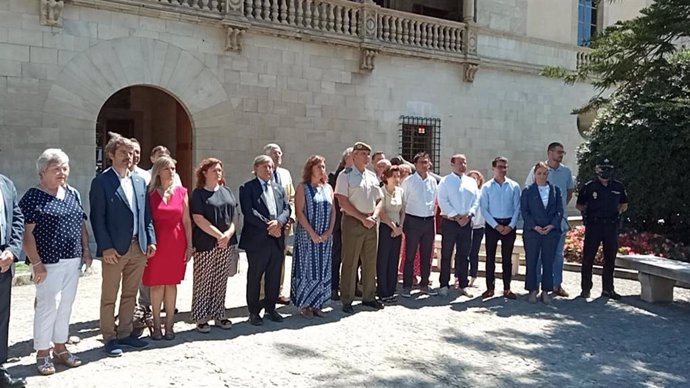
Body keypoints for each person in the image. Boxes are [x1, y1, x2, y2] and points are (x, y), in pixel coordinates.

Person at [19, 149, 92, 375]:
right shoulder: (33, 196)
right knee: (47, 306)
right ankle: (42, 352)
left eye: (65, 168)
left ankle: (60, 347)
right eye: (56, 168)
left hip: (72, 259)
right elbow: (26, 234)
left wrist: (87, 250)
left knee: (66, 304)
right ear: (43, 172)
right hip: (47, 262)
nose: (62, 172)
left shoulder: (72, 193)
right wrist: (36, 263)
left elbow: (81, 223)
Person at [89, 133, 156, 357]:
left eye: (130, 153)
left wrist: (151, 239)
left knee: (130, 294)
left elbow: (145, 214)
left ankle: (125, 334)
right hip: (114, 250)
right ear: (111, 155)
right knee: (110, 295)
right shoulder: (101, 182)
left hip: (139, 247)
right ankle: (109, 337)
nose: (128, 157)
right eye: (122, 153)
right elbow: (97, 217)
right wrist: (105, 247)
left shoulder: (139, 180)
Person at [143, 156, 192, 340]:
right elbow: (146, 220)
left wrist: (190, 245)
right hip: (156, 243)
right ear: (158, 171)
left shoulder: (182, 192)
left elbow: (186, 221)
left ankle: (170, 325)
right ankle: (156, 326)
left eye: (173, 168)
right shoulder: (150, 194)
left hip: (177, 242)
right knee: (156, 285)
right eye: (167, 168)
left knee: (172, 284)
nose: (171, 171)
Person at [239, 155, 291, 325]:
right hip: (258, 239)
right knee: (255, 275)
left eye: (270, 167)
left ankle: (270, 308)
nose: (268, 170)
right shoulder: (247, 188)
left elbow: (286, 208)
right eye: (264, 167)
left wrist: (280, 223)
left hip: (276, 239)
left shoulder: (278, 188)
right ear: (256, 169)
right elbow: (249, 211)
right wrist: (270, 227)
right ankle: (254, 311)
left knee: (274, 275)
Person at [190, 158, 239, 332]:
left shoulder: (226, 191)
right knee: (203, 281)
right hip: (205, 243)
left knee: (220, 280)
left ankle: (219, 314)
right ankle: (201, 317)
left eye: (219, 170)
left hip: (226, 243)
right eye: (214, 170)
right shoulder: (198, 194)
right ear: (204, 173)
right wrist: (220, 236)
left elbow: (234, 215)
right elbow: (198, 218)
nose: (218, 173)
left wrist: (228, 234)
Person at [334, 142, 384, 313]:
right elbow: (342, 200)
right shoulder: (345, 175)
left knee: (370, 261)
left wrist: (375, 216)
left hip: (371, 220)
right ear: (354, 155)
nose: (366, 157)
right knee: (350, 260)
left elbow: (380, 200)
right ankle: (347, 298)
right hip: (353, 221)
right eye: (362, 153)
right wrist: (362, 218)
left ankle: (369, 296)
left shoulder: (371, 176)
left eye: (368, 154)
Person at [524, 142, 575, 297]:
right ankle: (536, 286)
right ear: (550, 152)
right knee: (538, 256)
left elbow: (569, 192)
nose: (561, 155)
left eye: (563, 152)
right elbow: (528, 195)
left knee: (557, 255)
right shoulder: (537, 169)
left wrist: (556, 213)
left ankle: (556, 285)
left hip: (557, 222)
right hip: (538, 223)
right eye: (559, 152)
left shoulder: (566, 171)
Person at [577, 158, 628, 300]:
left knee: (610, 258)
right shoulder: (589, 186)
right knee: (588, 258)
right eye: (603, 168)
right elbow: (580, 205)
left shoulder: (618, 186)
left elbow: (624, 204)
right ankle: (586, 289)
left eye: (608, 168)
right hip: (594, 226)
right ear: (597, 170)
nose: (605, 172)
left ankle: (608, 289)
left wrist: (615, 214)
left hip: (611, 226)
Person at [292, 155, 335, 318]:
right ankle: (306, 304)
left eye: (323, 166)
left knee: (322, 269)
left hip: (325, 236)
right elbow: (299, 212)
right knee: (307, 268)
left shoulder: (328, 188)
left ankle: (318, 303)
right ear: (310, 169)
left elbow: (333, 211)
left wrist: (329, 231)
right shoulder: (303, 188)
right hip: (307, 236)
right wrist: (312, 232)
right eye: (318, 167)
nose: (321, 169)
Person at [436, 154, 478, 298]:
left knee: (464, 254)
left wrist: (469, 214)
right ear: (452, 164)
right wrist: (455, 215)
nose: (463, 165)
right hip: (450, 222)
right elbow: (442, 200)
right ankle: (444, 284)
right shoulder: (446, 181)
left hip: (467, 223)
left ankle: (463, 284)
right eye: (460, 162)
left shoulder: (471, 182)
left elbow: (476, 200)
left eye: (464, 162)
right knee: (447, 254)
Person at [521, 162, 563, 304]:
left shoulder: (555, 190)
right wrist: (534, 226)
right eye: (539, 173)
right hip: (533, 232)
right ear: (534, 174)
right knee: (532, 261)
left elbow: (559, 211)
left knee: (548, 261)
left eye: (545, 173)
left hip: (550, 232)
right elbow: (525, 211)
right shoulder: (527, 191)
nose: (542, 176)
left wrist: (552, 225)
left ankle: (546, 291)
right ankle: (532, 290)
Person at [479, 157, 521, 300]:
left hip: (509, 224)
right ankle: (490, 288)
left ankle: (507, 288)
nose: (503, 169)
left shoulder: (514, 186)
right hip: (493, 225)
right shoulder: (486, 187)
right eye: (500, 167)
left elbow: (517, 208)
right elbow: (484, 209)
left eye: (505, 167)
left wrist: (511, 225)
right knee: (490, 257)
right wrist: (496, 225)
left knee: (507, 258)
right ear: (493, 168)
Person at [0, 172, 26, 388]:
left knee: (1, 317)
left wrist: (12, 250)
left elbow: (17, 219)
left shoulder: (6, 183)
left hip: (4, 260)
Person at [400, 152, 438, 298]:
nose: (424, 165)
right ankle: (407, 285)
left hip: (428, 221)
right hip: (412, 220)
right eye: (421, 162)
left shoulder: (433, 181)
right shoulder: (409, 181)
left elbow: (434, 201)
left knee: (427, 254)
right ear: (415, 164)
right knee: (410, 254)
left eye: (427, 162)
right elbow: (403, 202)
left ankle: (424, 284)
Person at [263, 143, 295, 305]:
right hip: (267, 225)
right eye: (275, 153)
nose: (279, 155)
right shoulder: (262, 173)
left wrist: (290, 218)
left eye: (280, 153)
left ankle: (278, 291)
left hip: (284, 223)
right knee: (265, 258)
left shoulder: (285, 174)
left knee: (280, 258)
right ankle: (263, 294)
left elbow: (291, 198)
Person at [376, 166, 405, 303]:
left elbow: (403, 210)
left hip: (397, 228)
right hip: (385, 227)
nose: (397, 179)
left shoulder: (401, 191)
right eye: (394, 176)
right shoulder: (381, 191)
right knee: (383, 259)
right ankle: (383, 291)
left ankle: (391, 289)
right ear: (387, 177)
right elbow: (382, 212)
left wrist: (400, 228)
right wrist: (392, 226)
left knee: (394, 259)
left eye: (398, 176)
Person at [328, 147, 353, 301]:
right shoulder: (335, 176)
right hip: (338, 222)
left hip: (354, 222)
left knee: (352, 257)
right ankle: (333, 287)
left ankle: (350, 286)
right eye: (351, 156)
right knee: (336, 255)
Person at [466, 170, 486, 288]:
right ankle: (459, 276)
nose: (474, 180)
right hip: (466, 226)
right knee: (462, 252)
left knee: (474, 252)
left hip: (479, 226)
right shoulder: (465, 193)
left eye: (476, 178)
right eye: (472, 178)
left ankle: (473, 276)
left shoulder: (483, 193)